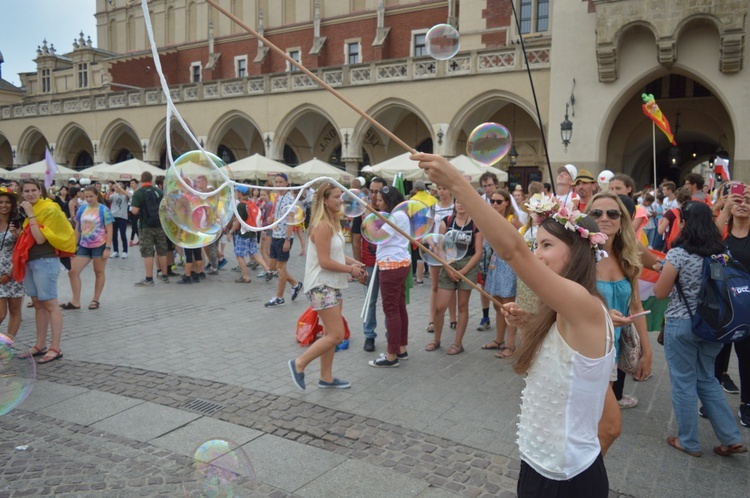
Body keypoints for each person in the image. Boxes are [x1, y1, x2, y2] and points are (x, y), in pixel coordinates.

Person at [415, 152, 614, 496]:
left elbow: (514, 252)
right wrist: (534, 324)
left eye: (547, 245)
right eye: (536, 244)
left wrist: (458, 185)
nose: (536, 253)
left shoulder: (585, 305)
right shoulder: (568, 313)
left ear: (579, 251)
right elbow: (604, 413)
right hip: (542, 468)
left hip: (565, 479)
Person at [654, 201, 747, 457]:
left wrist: (665, 273)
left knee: (683, 382)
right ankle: (731, 437)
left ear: (683, 223)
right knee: (707, 379)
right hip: (713, 327)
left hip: (682, 324)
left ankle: (688, 441)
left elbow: (660, 293)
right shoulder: (720, 253)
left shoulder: (679, 254)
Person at [288, 182, 365, 390]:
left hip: (332, 283)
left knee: (330, 333)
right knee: (336, 335)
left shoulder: (333, 222)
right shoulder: (322, 225)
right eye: (336, 197)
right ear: (324, 200)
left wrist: (352, 262)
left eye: (341, 196)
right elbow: (324, 261)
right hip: (321, 284)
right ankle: (299, 364)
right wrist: (351, 271)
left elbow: (336, 254)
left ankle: (326, 377)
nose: (341, 201)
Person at [12, 179, 76, 364]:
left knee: (50, 304)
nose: (30, 194)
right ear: (22, 193)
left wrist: (31, 215)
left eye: (34, 190)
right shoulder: (27, 211)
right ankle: (40, 344)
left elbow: (40, 239)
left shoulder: (49, 209)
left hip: (46, 260)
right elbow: (30, 237)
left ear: (41, 191)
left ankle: (55, 347)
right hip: (30, 261)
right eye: (27, 191)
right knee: (38, 304)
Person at [710, 182, 750, 426]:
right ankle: (712, 400)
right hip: (723, 306)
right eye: (738, 201)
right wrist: (723, 208)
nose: (742, 204)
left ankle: (747, 403)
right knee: (717, 354)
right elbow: (707, 244)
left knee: (747, 356)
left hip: (747, 307)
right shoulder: (721, 235)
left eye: (747, 201)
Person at [425, 198, 483, 355]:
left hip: (467, 265)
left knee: (463, 306)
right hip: (449, 263)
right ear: (455, 204)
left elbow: (478, 252)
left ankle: (458, 343)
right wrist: (447, 267)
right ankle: (436, 340)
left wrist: (464, 271)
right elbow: (439, 247)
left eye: (463, 201)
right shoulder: (447, 221)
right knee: (439, 307)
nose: (461, 204)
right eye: (458, 201)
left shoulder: (476, 224)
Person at [369, 185, 410, 367]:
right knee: (399, 307)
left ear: (389, 200)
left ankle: (391, 355)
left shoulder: (395, 216)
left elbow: (377, 236)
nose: (377, 204)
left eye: (380, 200)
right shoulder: (398, 215)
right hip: (398, 263)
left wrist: (368, 219)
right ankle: (401, 348)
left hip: (391, 265)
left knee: (391, 310)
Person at [479, 189, 521, 358]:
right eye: (492, 201)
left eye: (498, 201)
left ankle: (510, 345)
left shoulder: (512, 220)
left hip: (508, 264)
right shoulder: (492, 219)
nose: (494, 204)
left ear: (506, 203)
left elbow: (519, 243)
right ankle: (499, 340)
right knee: (497, 304)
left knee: (508, 306)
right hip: (495, 262)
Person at [61, 186, 114, 310]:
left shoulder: (103, 209)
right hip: (84, 245)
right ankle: (75, 301)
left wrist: (107, 248)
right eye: (86, 197)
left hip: (99, 245)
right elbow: (78, 228)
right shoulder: (82, 209)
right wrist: (73, 246)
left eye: (91, 196)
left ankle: (95, 300)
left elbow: (110, 229)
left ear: (97, 196)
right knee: (73, 271)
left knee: (98, 272)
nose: (89, 199)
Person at [265, 173, 303, 307]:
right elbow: (279, 216)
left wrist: (287, 239)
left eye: (281, 182)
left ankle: (279, 298)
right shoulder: (278, 196)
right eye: (276, 182)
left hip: (283, 237)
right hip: (276, 235)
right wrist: (272, 220)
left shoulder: (290, 198)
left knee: (281, 269)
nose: (278, 185)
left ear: (287, 183)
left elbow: (291, 220)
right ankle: (295, 284)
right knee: (274, 267)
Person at [425, 185, 456, 334]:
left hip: (451, 251)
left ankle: (453, 318)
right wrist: (434, 247)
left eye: (445, 188)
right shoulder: (432, 208)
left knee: (451, 285)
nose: (442, 191)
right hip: (435, 250)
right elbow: (427, 231)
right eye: (439, 188)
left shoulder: (455, 206)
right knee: (435, 286)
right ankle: (432, 319)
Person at [130, 172, 169, 286]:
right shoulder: (158, 192)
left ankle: (149, 278)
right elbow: (165, 208)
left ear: (141, 180)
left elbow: (134, 211)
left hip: (146, 226)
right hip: (160, 225)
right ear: (151, 180)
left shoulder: (138, 193)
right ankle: (165, 276)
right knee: (162, 250)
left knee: (148, 252)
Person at [360, 177, 385, 352]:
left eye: (378, 191)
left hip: (388, 262)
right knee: (370, 300)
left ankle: (392, 335)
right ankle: (369, 335)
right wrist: (358, 266)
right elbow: (355, 239)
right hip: (369, 262)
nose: (374, 195)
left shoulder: (390, 212)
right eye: (372, 191)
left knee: (390, 301)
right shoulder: (363, 211)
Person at [0, 188, 26, 340]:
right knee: (1, 314)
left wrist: (10, 273)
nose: (4, 205)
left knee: (15, 311)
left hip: (14, 271)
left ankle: (6, 345)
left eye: (7, 202)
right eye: (1, 202)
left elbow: (22, 249)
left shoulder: (17, 222)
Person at [477, 171, 499, 331]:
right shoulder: (481, 200)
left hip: (499, 248)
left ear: (495, 184)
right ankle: (485, 316)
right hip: (485, 248)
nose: (488, 188)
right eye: (485, 186)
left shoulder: (503, 198)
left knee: (498, 285)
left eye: (490, 185)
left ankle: (500, 314)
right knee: (483, 285)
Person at [107, 181, 130, 259]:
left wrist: (120, 188)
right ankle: (115, 251)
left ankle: (125, 251)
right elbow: (107, 199)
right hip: (113, 216)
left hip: (122, 217)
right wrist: (109, 190)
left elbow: (128, 195)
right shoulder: (114, 195)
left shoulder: (125, 195)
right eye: (115, 187)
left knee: (123, 234)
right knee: (114, 235)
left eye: (117, 187)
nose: (116, 188)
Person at [128, 179, 140, 246]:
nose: (131, 184)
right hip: (130, 208)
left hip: (137, 209)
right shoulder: (130, 191)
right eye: (131, 183)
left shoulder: (138, 191)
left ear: (136, 184)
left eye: (133, 183)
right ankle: (139, 239)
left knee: (134, 224)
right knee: (133, 225)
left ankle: (131, 240)